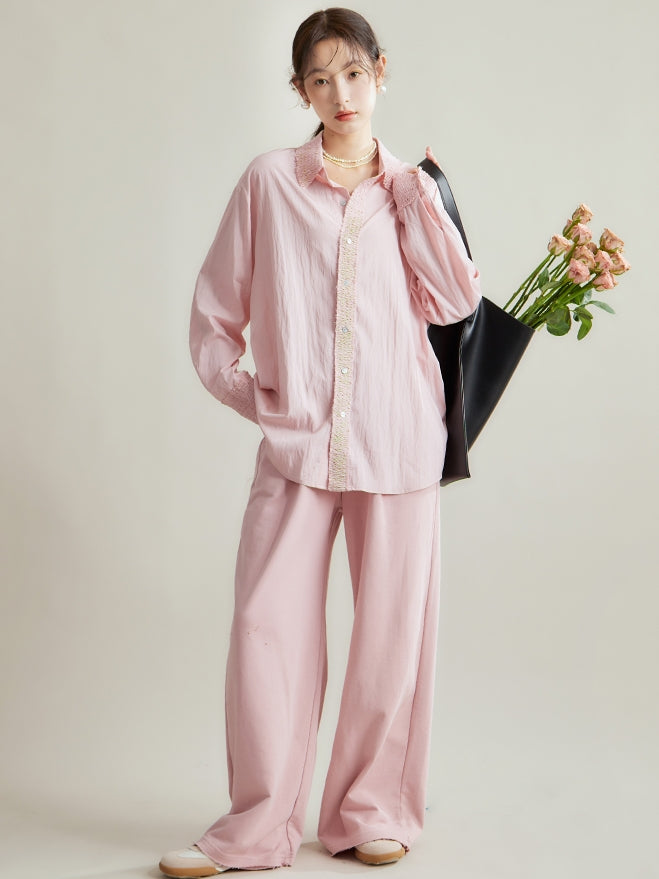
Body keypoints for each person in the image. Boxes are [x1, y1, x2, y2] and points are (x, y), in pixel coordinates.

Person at [159, 7, 481, 877]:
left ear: (381, 71)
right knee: (265, 629)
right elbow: (213, 319)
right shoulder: (268, 182)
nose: (340, 92)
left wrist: (413, 194)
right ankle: (255, 825)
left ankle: (371, 808)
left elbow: (455, 301)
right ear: (299, 90)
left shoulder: (410, 189)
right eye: (319, 78)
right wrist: (263, 398)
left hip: (398, 440)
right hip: (296, 447)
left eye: (353, 73)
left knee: (391, 637)